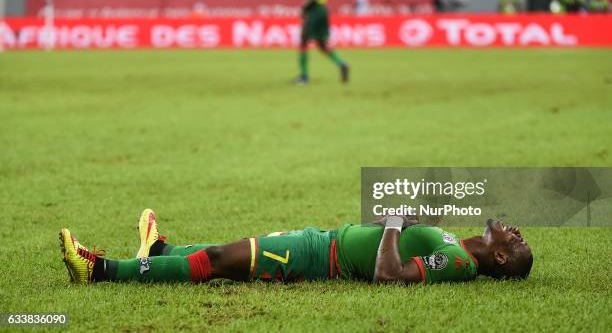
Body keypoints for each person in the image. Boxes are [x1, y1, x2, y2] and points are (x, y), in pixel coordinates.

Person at [60, 209, 533, 285]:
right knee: (233, 248)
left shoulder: (458, 262)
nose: (517, 232)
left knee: (224, 261)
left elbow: (389, 275)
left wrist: (391, 224)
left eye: (517, 243)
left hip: (318, 258)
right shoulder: (457, 245)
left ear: (500, 258)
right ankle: (161, 252)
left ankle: (100, 271)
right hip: (321, 241)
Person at [295, 0, 349, 85]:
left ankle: (304, 77)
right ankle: (341, 63)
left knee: (303, 42)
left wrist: (305, 8)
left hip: (314, 10)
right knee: (322, 45)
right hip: (324, 9)